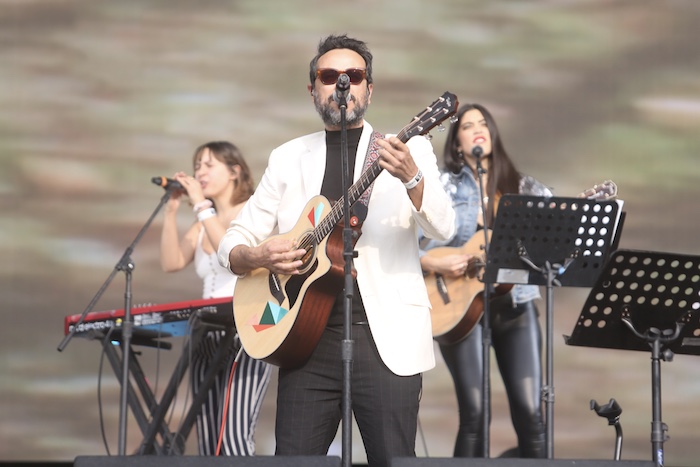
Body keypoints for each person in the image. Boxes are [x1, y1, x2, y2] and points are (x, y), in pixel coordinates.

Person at [217, 35, 456, 467]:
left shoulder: (409, 150)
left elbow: (443, 226)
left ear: (369, 89)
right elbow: (234, 239)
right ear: (313, 89)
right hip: (304, 336)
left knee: (393, 460)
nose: (341, 84)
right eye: (329, 76)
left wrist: (412, 177)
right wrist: (257, 257)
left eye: (353, 76)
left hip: (385, 338)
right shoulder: (287, 157)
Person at [419, 103, 547, 458]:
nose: (477, 130)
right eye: (467, 126)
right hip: (460, 310)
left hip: (516, 308)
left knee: (532, 414)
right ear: (457, 143)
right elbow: (407, 246)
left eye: (483, 124)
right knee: (475, 415)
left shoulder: (524, 188)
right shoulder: (443, 187)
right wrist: (435, 262)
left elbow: (555, 248)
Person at [159, 141, 272, 456]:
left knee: (233, 439)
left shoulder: (253, 212)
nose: (200, 173)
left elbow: (228, 252)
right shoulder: (201, 223)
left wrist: (200, 204)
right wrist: (171, 211)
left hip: (246, 330)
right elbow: (171, 262)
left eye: (209, 165)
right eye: (197, 166)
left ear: (235, 171)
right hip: (205, 335)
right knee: (208, 444)